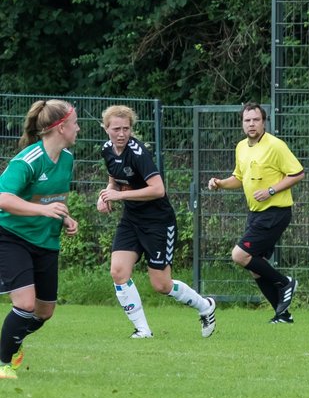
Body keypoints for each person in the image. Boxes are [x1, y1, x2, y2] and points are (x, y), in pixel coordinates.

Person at [97, 105, 217, 339]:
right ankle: (143, 330)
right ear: (106, 129)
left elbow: (158, 189)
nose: (121, 134)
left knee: (161, 285)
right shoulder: (107, 150)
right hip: (131, 220)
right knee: (118, 271)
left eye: (126, 128)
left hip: (158, 222)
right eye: (116, 129)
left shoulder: (138, 153)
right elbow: (114, 179)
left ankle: (205, 306)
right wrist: (106, 194)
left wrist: (119, 195)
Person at [0, 100, 80, 380]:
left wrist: (64, 217)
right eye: (74, 123)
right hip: (12, 237)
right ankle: (2, 364)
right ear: (60, 128)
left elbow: (52, 200)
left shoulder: (67, 159)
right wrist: (43, 210)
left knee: (44, 312)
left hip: (45, 241)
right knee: (24, 304)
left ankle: (10, 340)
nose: (78, 128)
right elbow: (4, 199)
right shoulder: (27, 160)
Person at [207, 102, 305, 323]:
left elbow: (297, 173)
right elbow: (239, 178)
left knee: (239, 255)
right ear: (242, 123)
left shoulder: (276, 146)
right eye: (247, 120)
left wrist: (271, 190)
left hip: (275, 211)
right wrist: (220, 183)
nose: (251, 124)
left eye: (256, 120)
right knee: (255, 266)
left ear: (264, 122)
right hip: (256, 213)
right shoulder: (241, 147)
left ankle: (285, 282)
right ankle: (282, 315)